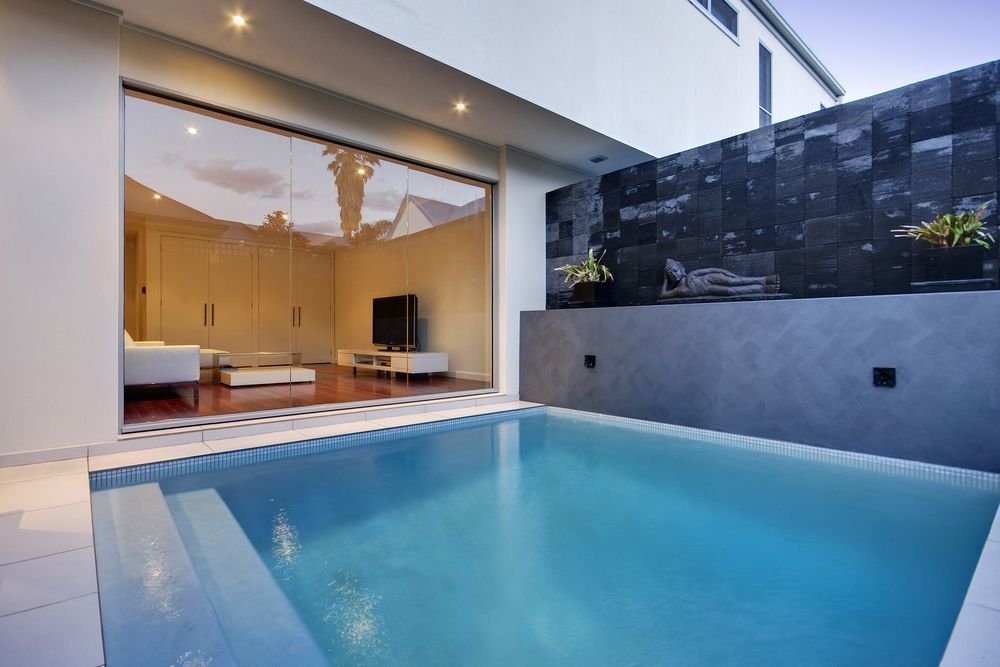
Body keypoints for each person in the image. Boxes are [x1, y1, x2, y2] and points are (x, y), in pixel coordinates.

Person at [659, 259, 780, 299]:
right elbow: (663, 295)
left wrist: (728, 273)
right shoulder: (678, 290)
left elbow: (710, 270)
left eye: (675, 271)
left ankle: (764, 279)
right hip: (710, 290)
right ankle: (764, 288)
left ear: (681, 269)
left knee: (734, 281)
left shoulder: (691, 275)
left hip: (711, 279)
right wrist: (665, 279)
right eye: (670, 274)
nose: (673, 274)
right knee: (732, 291)